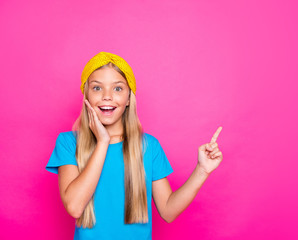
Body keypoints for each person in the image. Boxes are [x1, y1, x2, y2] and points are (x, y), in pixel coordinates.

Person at [45, 51, 223, 240]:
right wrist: (103, 142)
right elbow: (74, 206)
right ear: (86, 95)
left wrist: (202, 170)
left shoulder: (149, 146)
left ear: (129, 98)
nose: (107, 96)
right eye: (97, 88)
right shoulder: (68, 142)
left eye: (118, 88)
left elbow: (168, 211)